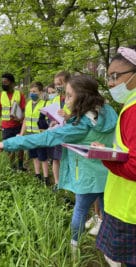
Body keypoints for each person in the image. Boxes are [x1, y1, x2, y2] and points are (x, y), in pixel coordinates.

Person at [0, 74, 118, 258]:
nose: (66, 99)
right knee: (108, 211)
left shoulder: (81, 126)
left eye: (70, 96)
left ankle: (74, 246)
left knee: (80, 210)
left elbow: (45, 137)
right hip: (109, 173)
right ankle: (110, 251)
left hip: (86, 176)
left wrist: (6, 144)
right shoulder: (107, 111)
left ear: (83, 98)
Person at [95, 46, 136, 267]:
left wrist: (106, 157)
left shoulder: (133, 110)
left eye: (115, 76)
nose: (111, 83)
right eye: (108, 77)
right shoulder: (129, 105)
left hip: (129, 209)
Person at [0, 72, 26, 171]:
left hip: (18, 125)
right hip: (6, 126)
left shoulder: (19, 94)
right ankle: (12, 167)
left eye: (6, 82)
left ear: (12, 83)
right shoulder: (0, 95)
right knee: (8, 147)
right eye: (2, 82)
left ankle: (20, 166)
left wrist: (21, 118)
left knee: (20, 146)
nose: (3, 84)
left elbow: (24, 110)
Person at [19, 81, 50, 185]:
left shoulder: (45, 105)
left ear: (40, 93)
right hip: (30, 134)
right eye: (31, 91)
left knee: (43, 157)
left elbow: (49, 122)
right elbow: (25, 120)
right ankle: (37, 175)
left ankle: (46, 178)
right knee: (34, 156)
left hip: (40, 135)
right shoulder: (28, 104)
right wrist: (21, 133)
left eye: (35, 91)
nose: (32, 93)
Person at [50, 71, 71, 191]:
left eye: (59, 84)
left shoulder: (74, 98)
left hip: (70, 135)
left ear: (67, 82)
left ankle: (68, 184)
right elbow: (52, 115)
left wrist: (67, 117)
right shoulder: (56, 99)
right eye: (55, 84)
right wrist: (52, 121)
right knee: (56, 158)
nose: (57, 86)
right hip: (58, 132)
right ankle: (57, 183)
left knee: (67, 159)